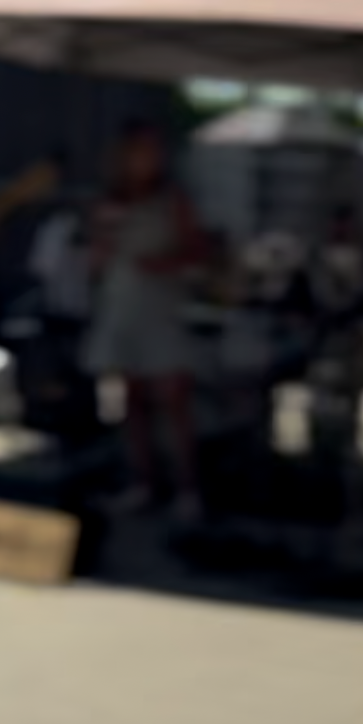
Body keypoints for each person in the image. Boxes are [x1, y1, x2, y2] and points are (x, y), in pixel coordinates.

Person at [85, 123, 204, 518]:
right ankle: (143, 482)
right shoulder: (109, 201)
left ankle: (188, 488)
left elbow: (198, 248)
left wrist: (165, 263)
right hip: (122, 304)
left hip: (161, 307)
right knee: (132, 401)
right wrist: (101, 245)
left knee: (173, 400)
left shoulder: (174, 200)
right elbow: (95, 259)